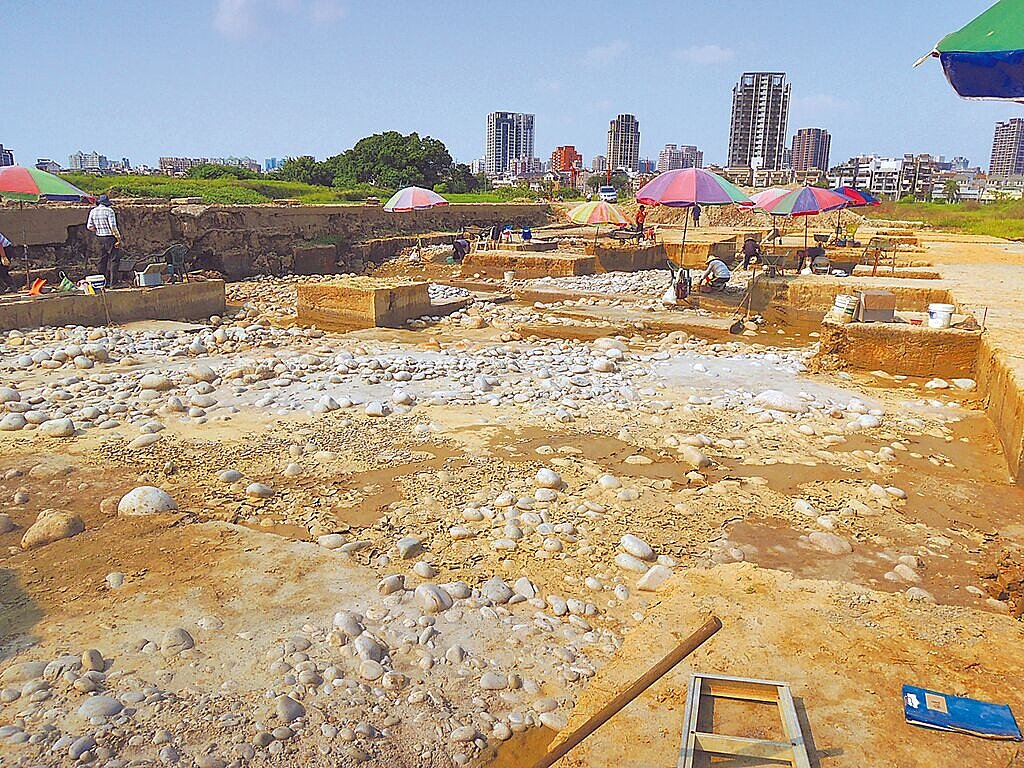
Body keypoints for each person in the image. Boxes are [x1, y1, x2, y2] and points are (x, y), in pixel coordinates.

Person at [87, 194, 122, 286]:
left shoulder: (93, 211)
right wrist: (118, 238)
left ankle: (102, 282)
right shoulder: (109, 211)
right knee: (114, 259)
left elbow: (89, 226)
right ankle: (113, 283)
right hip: (110, 237)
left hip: (99, 237)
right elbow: (113, 226)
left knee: (102, 260)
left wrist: (98, 230)